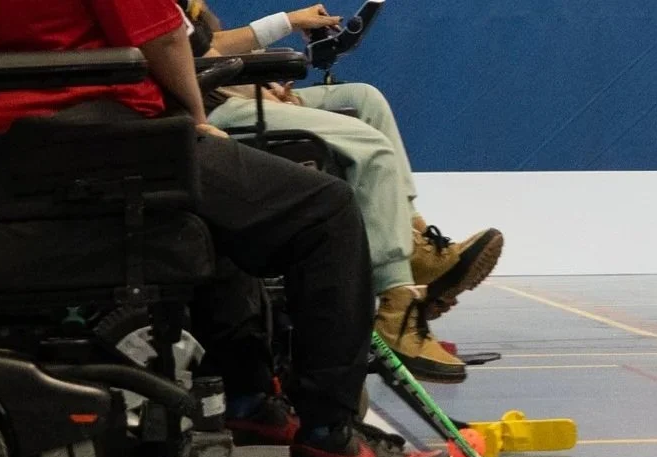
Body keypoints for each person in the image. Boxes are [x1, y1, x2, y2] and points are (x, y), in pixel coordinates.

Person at [0, 0, 453, 457]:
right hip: (84, 137)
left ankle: (251, 403)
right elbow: (159, 35)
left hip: (3, 147)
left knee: (217, 213)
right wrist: (195, 119)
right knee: (328, 211)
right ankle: (329, 439)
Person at [184, 0, 503, 384]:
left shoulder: (185, 12)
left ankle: (416, 242)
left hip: (229, 95)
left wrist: (263, 82)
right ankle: (397, 305)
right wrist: (258, 80)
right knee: (372, 149)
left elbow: (206, 50)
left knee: (365, 100)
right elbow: (192, 61)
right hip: (210, 117)